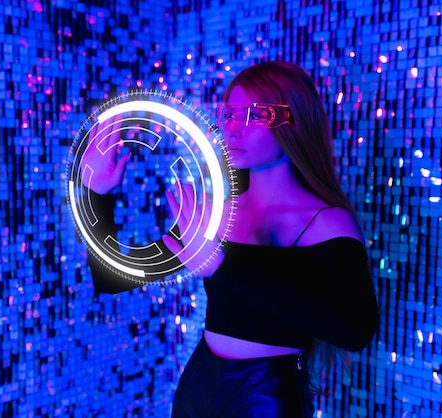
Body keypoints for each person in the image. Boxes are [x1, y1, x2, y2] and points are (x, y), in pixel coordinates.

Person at [76, 61, 379, 417]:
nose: (232, 130)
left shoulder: (327, 222)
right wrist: (96, 192)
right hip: (197, 387)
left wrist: (223, 266)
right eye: (229, 114)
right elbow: (114, 277)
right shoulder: (219, 213)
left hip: (266, 398)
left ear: (294, 121)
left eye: (252, 115)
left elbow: (355, 329)